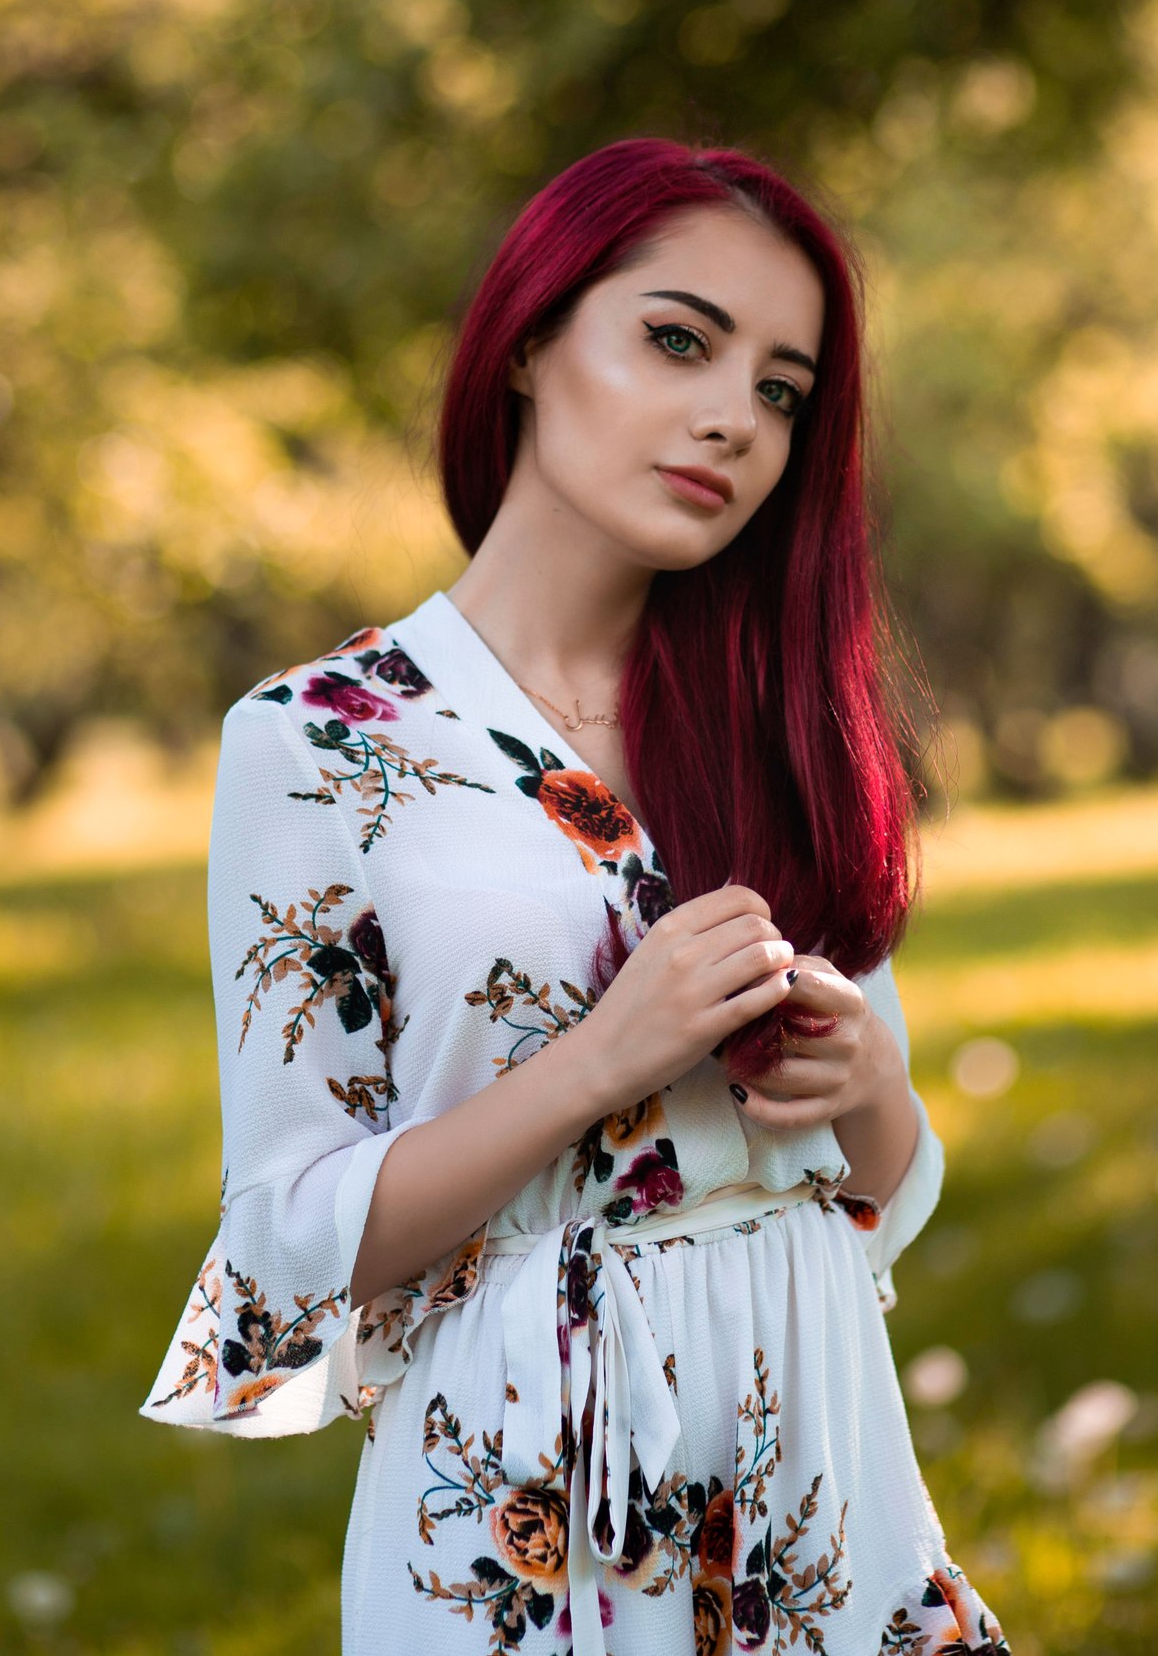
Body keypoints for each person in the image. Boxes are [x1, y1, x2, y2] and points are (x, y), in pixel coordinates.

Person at [139, 137, 1012, 1656]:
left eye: (782, 391)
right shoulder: (321, 743)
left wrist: (869, 1080)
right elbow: (290, 1235)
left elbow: (879, 1186)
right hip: (522, 1503)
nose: (732, 417)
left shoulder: (777, 721)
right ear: (534, 339)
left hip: (820, 1464)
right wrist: (602, 1061)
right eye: (680, 340)